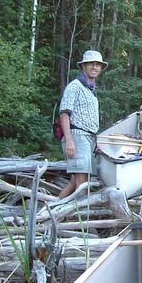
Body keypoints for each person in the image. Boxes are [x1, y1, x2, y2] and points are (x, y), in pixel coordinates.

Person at [58, 50, 108, 198]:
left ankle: (50, 210)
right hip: (77, 137)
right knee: (82, 184)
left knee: (74, 183)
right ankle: (81, 218)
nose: (95, 67)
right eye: (91, 64)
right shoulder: (75, 86)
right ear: (84, 66)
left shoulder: (90, 90)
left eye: (98, 64)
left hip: (88, 139)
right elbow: (64, 114)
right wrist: (69, 141)